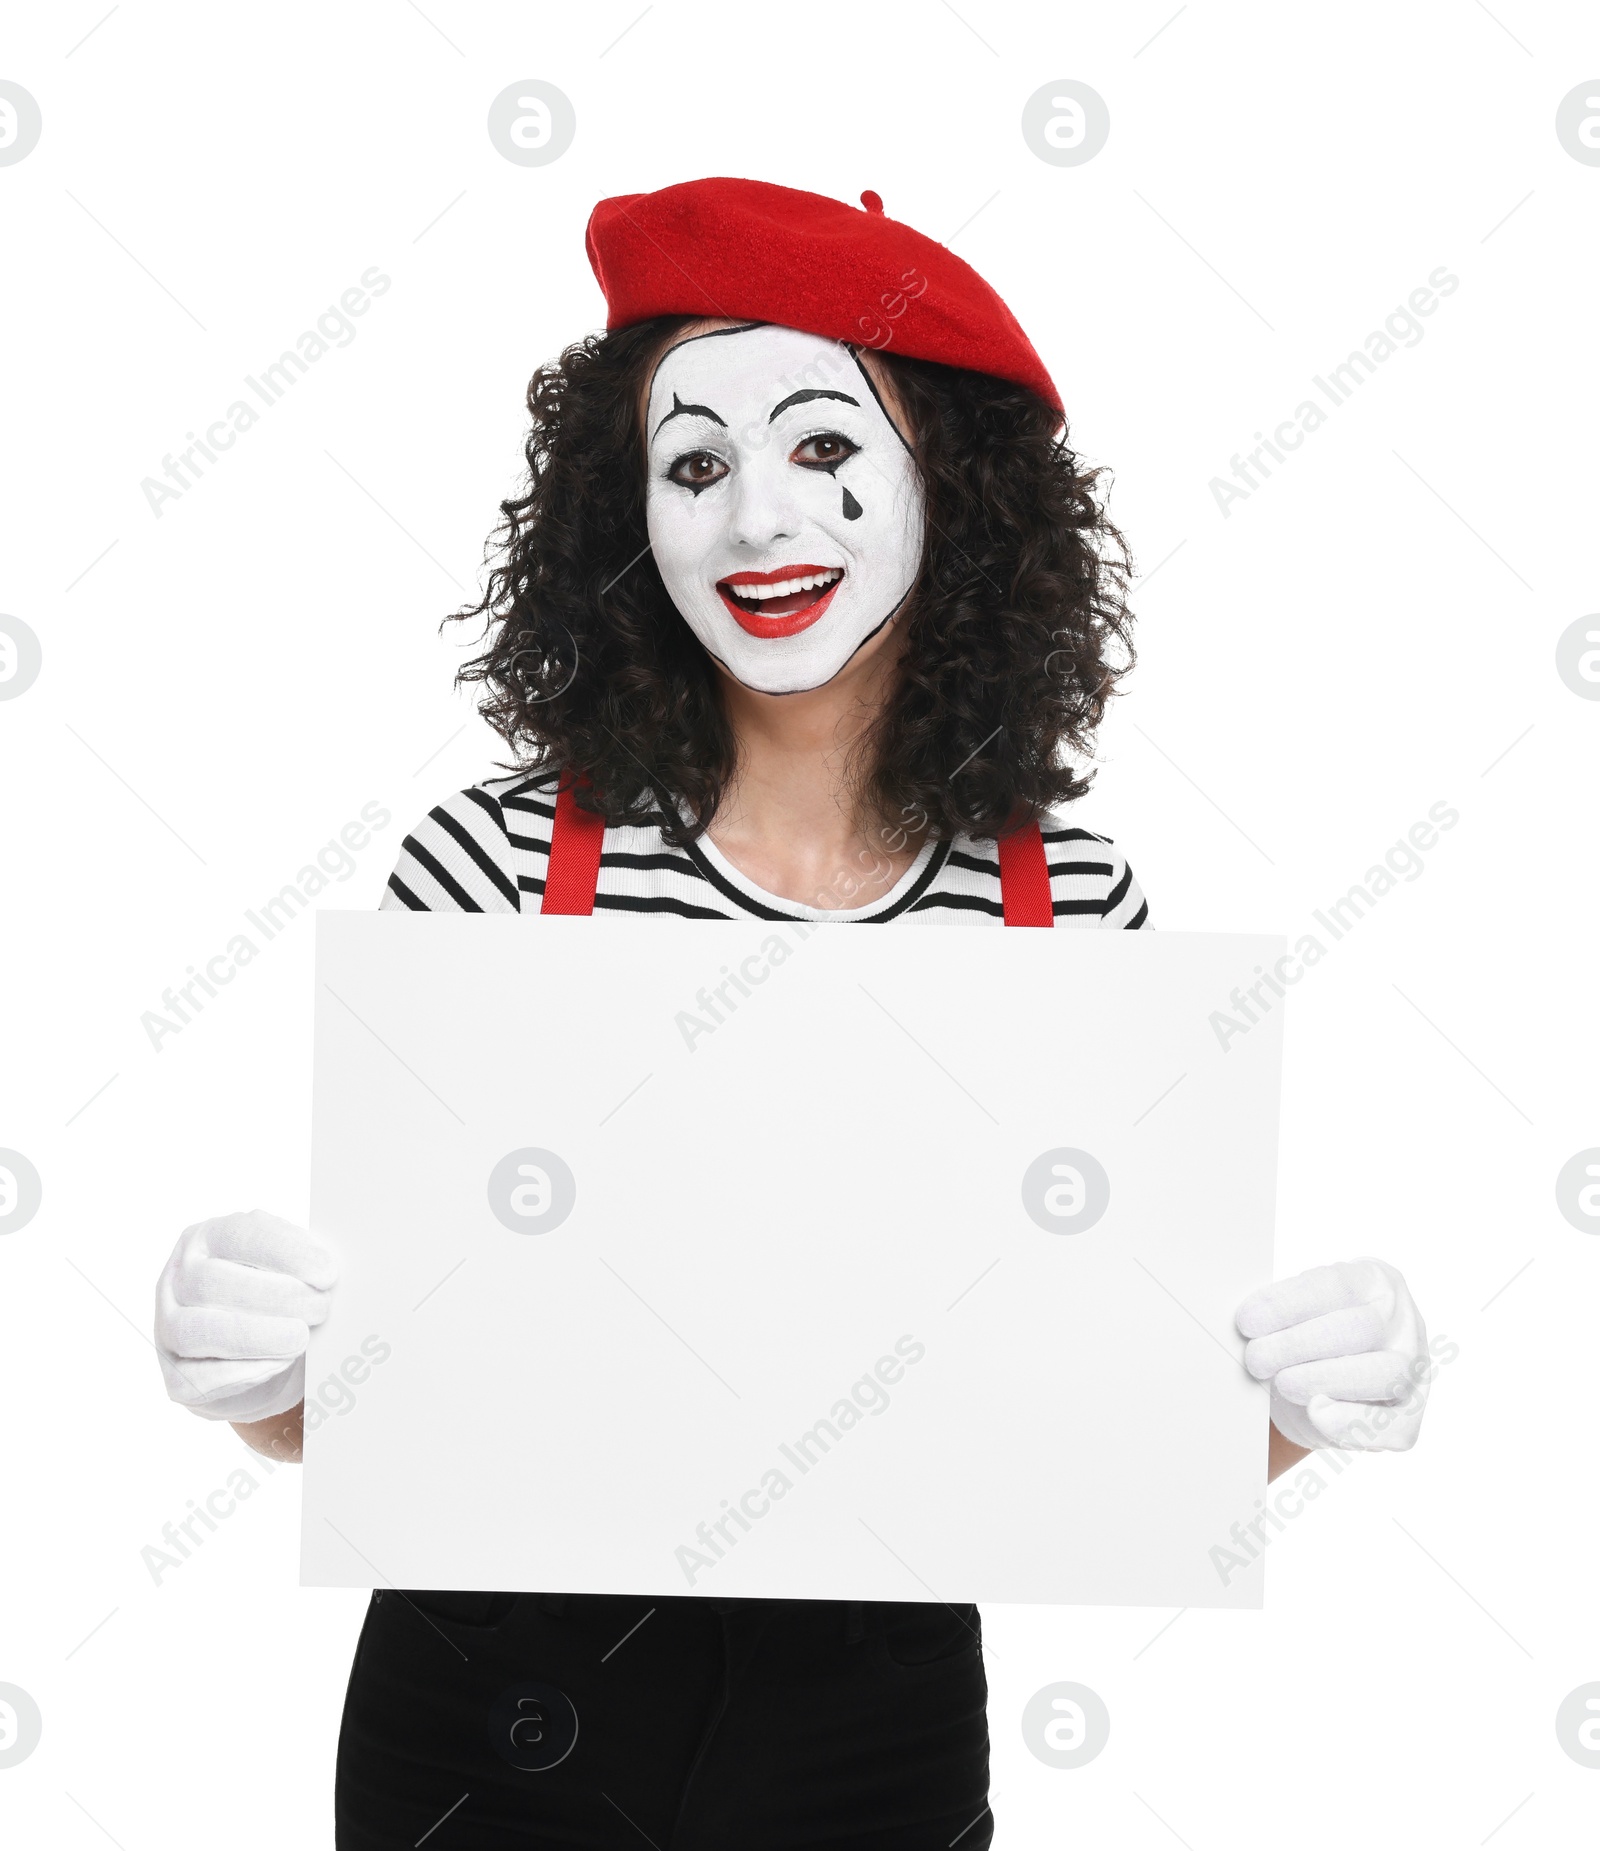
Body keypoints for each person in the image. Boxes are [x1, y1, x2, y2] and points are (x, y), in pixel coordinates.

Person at [153, 177, 1433, 1849]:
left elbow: (1082, 1455)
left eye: (826, 449)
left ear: (955, 496)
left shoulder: (1073, 909)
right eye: (696, 467)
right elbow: (387, 1415)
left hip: (873, 1722)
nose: (761, 519)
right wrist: (243, 1370)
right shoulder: (486, 868)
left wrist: (1298, 1404)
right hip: (491, 1707)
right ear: (628, 523)